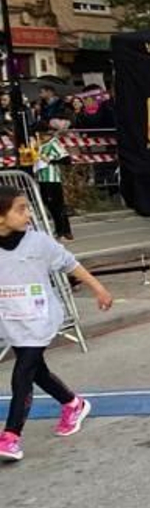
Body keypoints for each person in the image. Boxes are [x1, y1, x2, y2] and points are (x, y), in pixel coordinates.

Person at [0, 185, 113, 463]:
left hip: (41, 318)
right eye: (20, 209)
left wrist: (99, 289)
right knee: (37, 372)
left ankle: (11, 436)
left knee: (23, 373)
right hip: (12, 320)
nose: (28, 213)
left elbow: (69, 264)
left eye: (27, 207)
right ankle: (73, 403)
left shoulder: (38, 242)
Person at [32, 119, 74, 240]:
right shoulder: (39, 145)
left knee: (57, 205)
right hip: (41, 178)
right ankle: (62, 229)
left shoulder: (53, 143)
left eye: (39, 134)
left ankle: (63, 231)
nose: (38, 136)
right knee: (49, 204)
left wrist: (51, 160)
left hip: (53, 178)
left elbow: (67, 160)